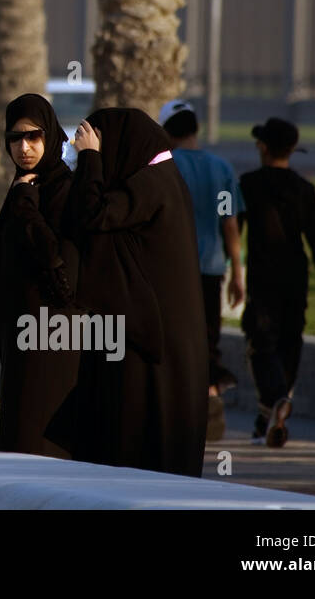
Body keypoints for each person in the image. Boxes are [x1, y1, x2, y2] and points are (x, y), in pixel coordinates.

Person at [53, 108, 207, 477]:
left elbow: (92, 214)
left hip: (152, 338)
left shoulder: (152, 183)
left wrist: (89, 157)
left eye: (104, 146)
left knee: (136, 438)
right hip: (158, 335)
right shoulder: (159, 178)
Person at [0, 93, 80, 457]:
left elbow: (54, 259)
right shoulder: (24, 186)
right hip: (19, 337)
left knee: (39, 443)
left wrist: (24, 202)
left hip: (51, 337)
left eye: (33, 137)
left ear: (51, 136)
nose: (23, 148)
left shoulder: (62, 190)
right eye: (15, 138)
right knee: (18, 438)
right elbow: (9, 270)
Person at [238, 117, 315, 449]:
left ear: (264, 148)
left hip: (263, 281)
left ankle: (277, 400)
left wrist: (231, 272)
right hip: (296, 279)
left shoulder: (247, 184)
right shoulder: (304, 189)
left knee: (261, 346)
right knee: (289, 344)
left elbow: (233, 232)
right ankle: (266, 419)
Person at [159, 98, 246, 442]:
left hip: (171, 273)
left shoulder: (165, 166)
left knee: (172, 340)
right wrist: (237, 273)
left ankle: (174, 413)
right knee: (208, 340)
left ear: (166, 132)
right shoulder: (221, 168)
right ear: (196, 128)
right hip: (211, 270)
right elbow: (230, 227)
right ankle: (210, 410)